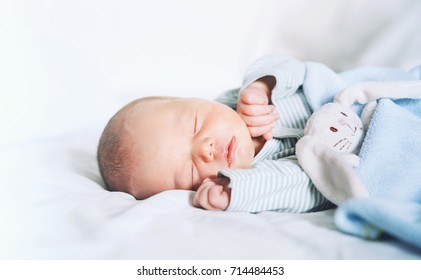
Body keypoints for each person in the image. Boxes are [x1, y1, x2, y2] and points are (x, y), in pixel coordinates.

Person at [97, 56, 343, 213]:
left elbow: (295, 68)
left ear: (197, 100)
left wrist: (262, 85)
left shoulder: (237, 101)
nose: (205, 149)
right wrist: (235, 192)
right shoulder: (255, 177)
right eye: (190, 171)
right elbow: (314, 186)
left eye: (195, 125)